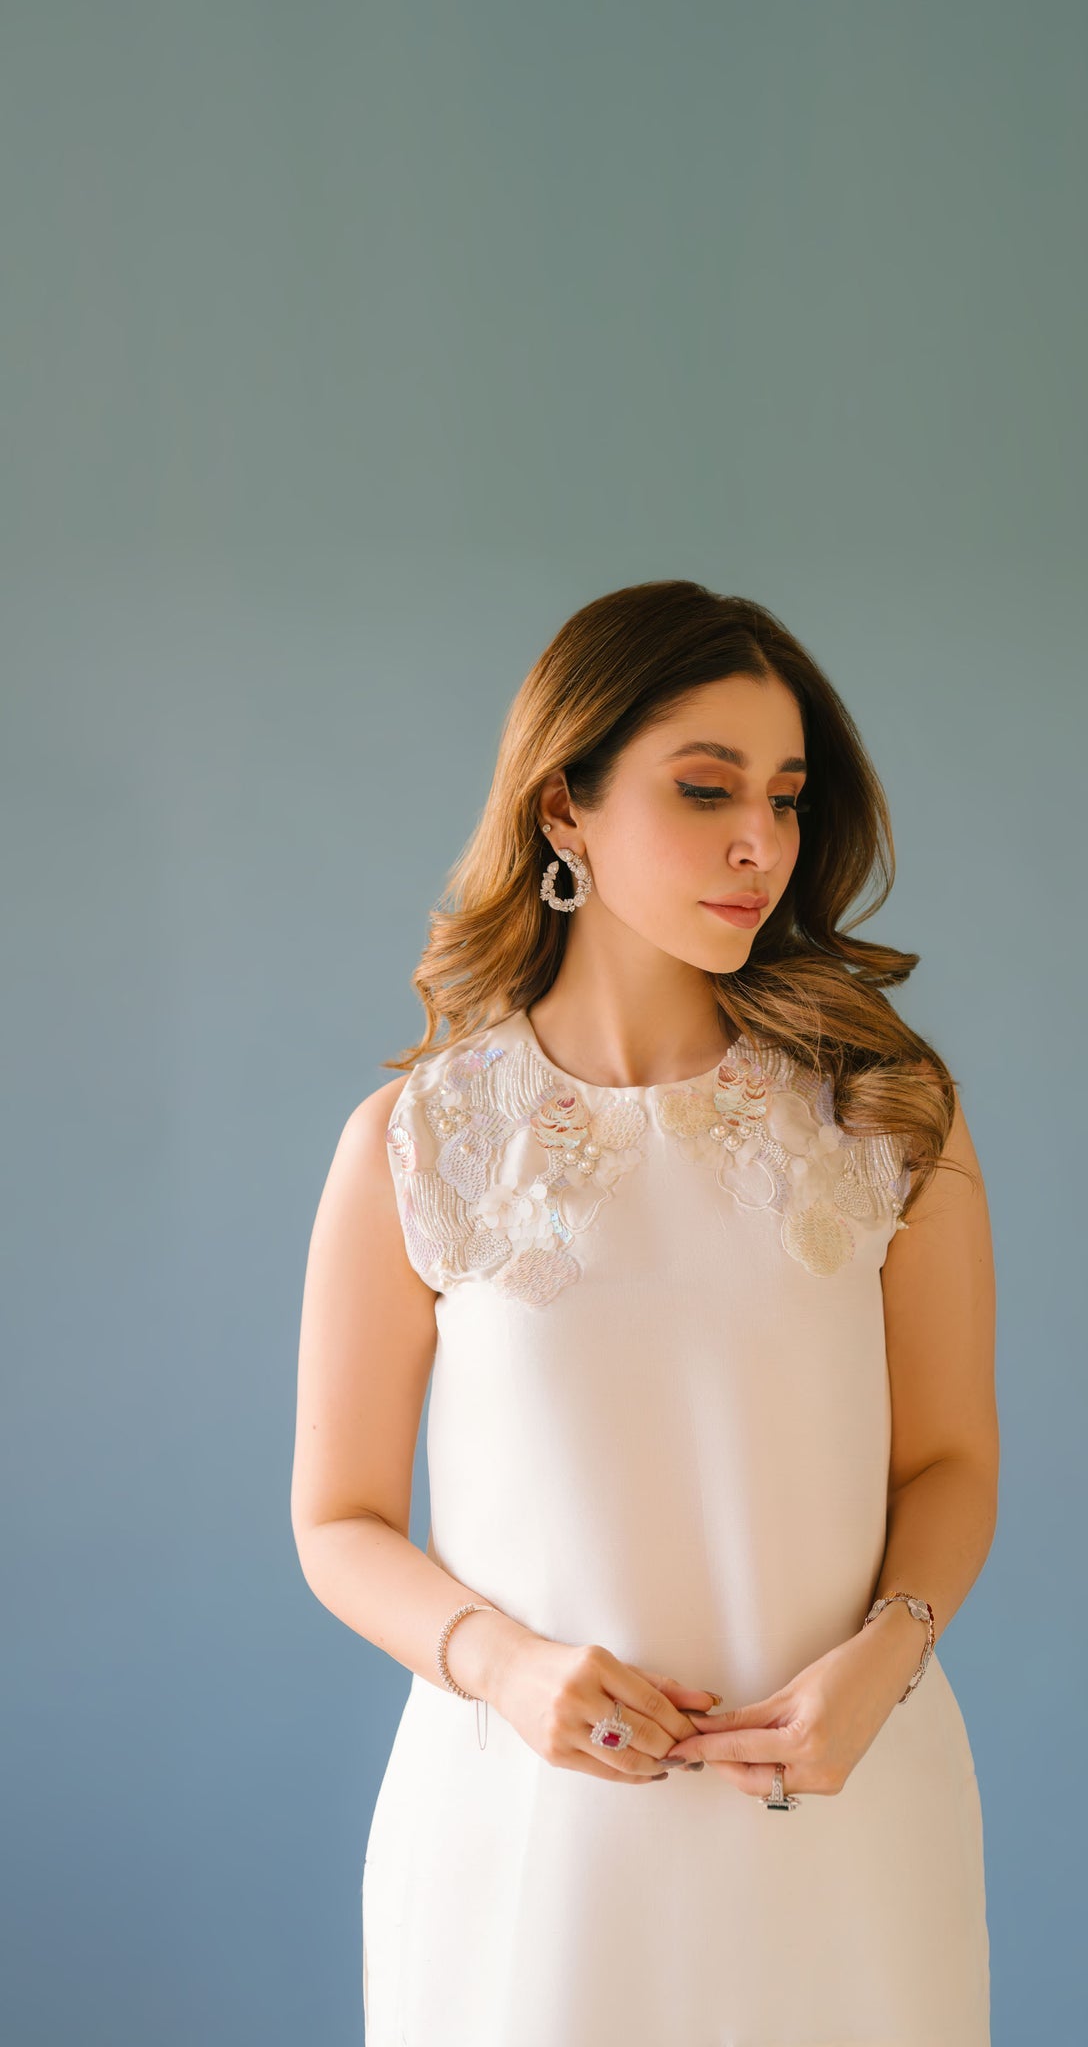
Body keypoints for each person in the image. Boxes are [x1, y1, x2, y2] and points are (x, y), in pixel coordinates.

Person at [291, 579, 998, 2045]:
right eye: (705, 788)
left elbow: (949, 1462)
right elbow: (338, 1521)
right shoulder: (420, 1145)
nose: (762, 843)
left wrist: (886, 1660)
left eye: (785, 798)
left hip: (847, 1813)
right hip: (527, 1842)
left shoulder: (884, 1113)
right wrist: (507, 1669)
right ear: (566, 807)